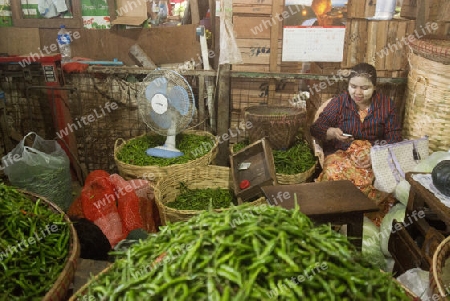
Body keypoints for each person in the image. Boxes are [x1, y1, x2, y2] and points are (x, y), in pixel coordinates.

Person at [310, 62, 403, 226]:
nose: (358, 92)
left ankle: (361, 223)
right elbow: (316, 128)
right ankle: (334, 219)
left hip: (373, 155)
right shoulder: (339, 103)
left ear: (374, 86)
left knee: (376, 183)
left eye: (364, 88)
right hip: (341, 153)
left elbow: (395, 138)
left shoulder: (386, 106)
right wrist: (332, 132)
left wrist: (375, 157)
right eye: (353, 86)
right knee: (333, 176)